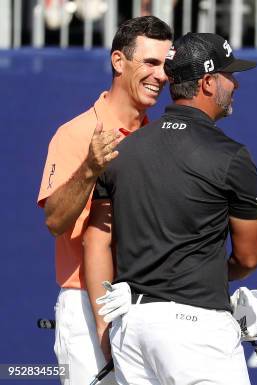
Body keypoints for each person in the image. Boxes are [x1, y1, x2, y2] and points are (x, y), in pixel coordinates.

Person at [84, 32, 257, 385]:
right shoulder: (231, 156)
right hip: (196, 332)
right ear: (208, 83)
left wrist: (107, 322)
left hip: (132, 328)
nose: (236, 85)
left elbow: (97, 240)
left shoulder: (123, 151)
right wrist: (199, 275)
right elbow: (247, 259)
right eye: (230, 75)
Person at [37, 16, 172, 385]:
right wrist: (90, 168)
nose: (161, 76)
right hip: (84, 305)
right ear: (118, 61)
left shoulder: (158, 139)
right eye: (150, 62)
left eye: (166, 65)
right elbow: (55, 222)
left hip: (144, 305)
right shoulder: (76, 133)